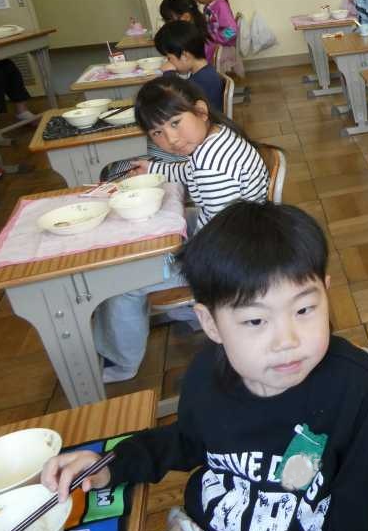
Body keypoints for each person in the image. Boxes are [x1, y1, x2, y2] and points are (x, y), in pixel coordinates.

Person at [43, 202, 368, 531]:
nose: (287, 341)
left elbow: (356, 514)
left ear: (325, 293)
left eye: (304, 309)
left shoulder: (355, 387)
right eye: (255, 320)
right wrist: (112, 465)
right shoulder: (206, 374)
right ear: (210, 323)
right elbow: (186, 440)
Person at [93, 77, 268, 383]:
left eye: (175, 123)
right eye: (157, 132)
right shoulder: (215, 136)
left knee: (123, 283)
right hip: (240, 235)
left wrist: (173, 256)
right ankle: (191, 310)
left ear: (200, 111)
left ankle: (122, 363)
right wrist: (153, 167)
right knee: (163, 223)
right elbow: (190, 171)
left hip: (232, 260)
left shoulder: (212, 166)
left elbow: (219, 239)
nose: (171, 139)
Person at [155, 20, 225, 112]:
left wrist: (169, 74)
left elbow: (175, 102)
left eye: (169, 58)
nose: (168, 62)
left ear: (185, 56)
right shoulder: (202, 72)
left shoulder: (205, 79)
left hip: (205, 120)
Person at [182, 0, 239, 70]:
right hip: (214, 44)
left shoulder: (220, 5)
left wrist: (215, 39)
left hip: (222, 49)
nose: (197, 1)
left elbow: (232, 30)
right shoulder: (209, 5)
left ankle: (202, 72)